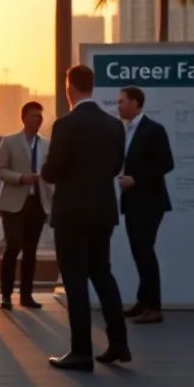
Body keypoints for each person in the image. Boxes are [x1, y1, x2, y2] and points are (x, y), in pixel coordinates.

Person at [41, 65, 130, 371]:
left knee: (76, 282)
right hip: (103, 212)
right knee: (103, 276)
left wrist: (47, 167)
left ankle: (81, 352)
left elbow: (52, 172)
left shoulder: (65, 125)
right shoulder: (114, 125)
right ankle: (119, 343)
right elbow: (117, 166)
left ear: (69, 89)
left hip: (71, 216)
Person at [117, 86, 174, 325]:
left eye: (121, 101)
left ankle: (154, 306)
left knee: (145, 251)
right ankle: (143, 300)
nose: (118, 105)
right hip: (132, 202)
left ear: (135, 102)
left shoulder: (154, 130)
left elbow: (166, 164)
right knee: (138, 252)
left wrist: (136, 180)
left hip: (150, 202)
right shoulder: (125, 130)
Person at [0, 101, 52, 310]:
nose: (39, 119)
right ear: (24, 118)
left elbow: (51, 174)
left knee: (31, 251)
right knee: (13, 246)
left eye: (40, 116)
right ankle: (6, 294)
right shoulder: (9, 141)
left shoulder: (47, 144)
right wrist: (21, 178)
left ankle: (26, 295)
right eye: (35, 116)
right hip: (14, 205)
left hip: (37, 203)